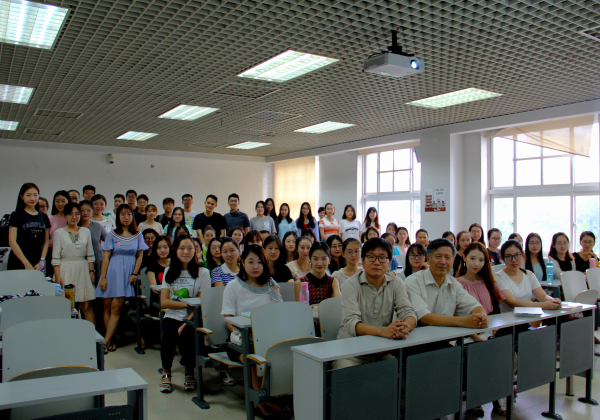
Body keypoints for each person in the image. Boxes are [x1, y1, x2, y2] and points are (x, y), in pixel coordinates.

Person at [333, 238, 417, 369]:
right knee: (346, 374)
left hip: (381, 349)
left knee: (397, 371)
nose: (377, 262)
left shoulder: (396, 283)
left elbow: (408, 312)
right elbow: (351, 322)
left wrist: (403, 328)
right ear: (363, 261)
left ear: (389, 262)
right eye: (371, 257)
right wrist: (384, 331)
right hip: (350, 351)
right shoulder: (350, 285)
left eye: (382, 258)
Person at [221, 245, 284, 417]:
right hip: (240, 341)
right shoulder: (233, 286)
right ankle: (261, 402)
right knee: (253, 358)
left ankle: (270, 396)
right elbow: (228, 318)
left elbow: (279, 312)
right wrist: (245, 333)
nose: (255, 266)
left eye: (259, 262)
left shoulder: (271, 285)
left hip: (268, 338)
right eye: (250, 262)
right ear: (242, 262)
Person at [455, 242, 507, 417]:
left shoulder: (489, 283)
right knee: (478, 354)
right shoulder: (456, 284)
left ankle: (498, 398)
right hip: (466, 334)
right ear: (464, 258)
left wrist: (494, 331)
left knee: (504, 353)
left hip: (489, 333)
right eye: (472, 258)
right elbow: (456, 317)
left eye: (481, 260)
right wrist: (476, 337)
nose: (476, 263)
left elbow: (496, 312)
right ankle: (475, 401)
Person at [159, 235, 211, 393]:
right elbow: (164, 302)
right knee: (168, 335)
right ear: (175, 250)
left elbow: (201, 303)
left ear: (195, 250)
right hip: (172, 316)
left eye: (190, 248)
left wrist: (185, 322)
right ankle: (166, 372)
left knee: (187, 337)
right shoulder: (169, 271)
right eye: (182, 248)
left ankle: (189, 371)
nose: (186, 252)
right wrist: (188, 304)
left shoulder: (203, 272)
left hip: (192, 317)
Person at [404, 239, 489, 330]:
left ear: (453, 262)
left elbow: (474, 306)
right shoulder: (412, 282)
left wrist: (482, 318)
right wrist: (463, 321)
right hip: (418, 337)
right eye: (438, 256)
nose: (443, 262)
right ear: (428, 259)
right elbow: (423, 317)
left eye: (447, 257)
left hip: (447, 337)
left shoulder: (453, 283)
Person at [96, 204, 148, 353]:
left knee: (116, 308)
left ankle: (104, 342)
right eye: (123, 214)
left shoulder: (137, 235)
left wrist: (134, 273)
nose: (126, 217)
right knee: (107, 308)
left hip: (126, 275)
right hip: (111, 273)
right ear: (118, 217)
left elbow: (139, 257)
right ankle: (111, 339)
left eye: (129, 214)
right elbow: (106, 258)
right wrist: (103, 278)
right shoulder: (112, 234)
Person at [52, 202, 96, 323]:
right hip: (65, 270)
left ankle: (91, 334)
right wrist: (58, 276)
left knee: (86, 305)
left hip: (82, 269)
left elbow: (90, 254)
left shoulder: (86, 231)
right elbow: (55, 258)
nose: (74, 217)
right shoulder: (59, 233)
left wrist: (91, 271)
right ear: (65, 216)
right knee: (66, 306)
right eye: (70, 214)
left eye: (77, 214)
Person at [495, 240, 560, 314]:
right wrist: (544, 305)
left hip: (530, 317)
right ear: (502, 258)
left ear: (523, 255)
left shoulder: (529, 275)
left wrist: (553, 301)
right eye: (508, 256)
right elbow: (512, 303)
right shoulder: (498, 277)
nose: (514, 260)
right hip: (509, 319)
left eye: (517, 255)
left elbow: (543, 296)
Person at [7, 182, 50, 271]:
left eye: (35, 195)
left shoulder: (43, 216)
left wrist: (41, 261)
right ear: (21, 196)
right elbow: (12, 241)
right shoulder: (16, 215)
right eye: (28, 195)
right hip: (18, 261)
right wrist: (25, 263)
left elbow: (46, 241)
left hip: (37, 261)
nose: (32, 198)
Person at [78, 200, 106, 286]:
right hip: (81, 261)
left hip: (98, 261)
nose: (85, 213)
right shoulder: (75, 227)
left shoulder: (97, 226)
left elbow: (109, 241)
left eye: (88, 210)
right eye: (82, 210)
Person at [47, 191, 70, 277]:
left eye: (63, 201)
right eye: (57, 201)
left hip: (68, 253)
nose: (60, 204)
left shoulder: (72, 218)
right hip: (52, 253)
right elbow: (46, 239)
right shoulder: (50, 219)